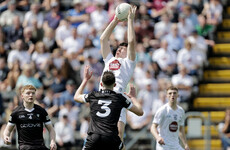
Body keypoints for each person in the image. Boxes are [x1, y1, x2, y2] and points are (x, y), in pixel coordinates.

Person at [74, 65, 143, 150]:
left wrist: (85, 80)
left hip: (94, 137)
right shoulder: (119, 98)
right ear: (114, 85)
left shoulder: (93, 95)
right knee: (122, 148)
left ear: (101, 84)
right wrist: (133, 98)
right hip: (110, 137)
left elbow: (76, 97)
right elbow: (140, 112)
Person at [99, 5, 137, 144]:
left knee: (118, 136)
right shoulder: (109, 59)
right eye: (119, 48)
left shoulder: (128, 63)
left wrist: (130, 20)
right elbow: (103, 39)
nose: (119, 49)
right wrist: (115, 20)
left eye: (123, 48)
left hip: (117, 99)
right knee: (99, 135)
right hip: (102, 99)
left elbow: (132, 42)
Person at [3, 85, 57, 150]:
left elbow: (51, 129)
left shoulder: (41, 111)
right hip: (25, 147)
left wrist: (53, 141)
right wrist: (6, 136)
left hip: (40, 146)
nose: (31, 95)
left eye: (33, 93)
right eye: (28, 93)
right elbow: (8, 129)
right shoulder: (16, 112)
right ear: (22, 96)